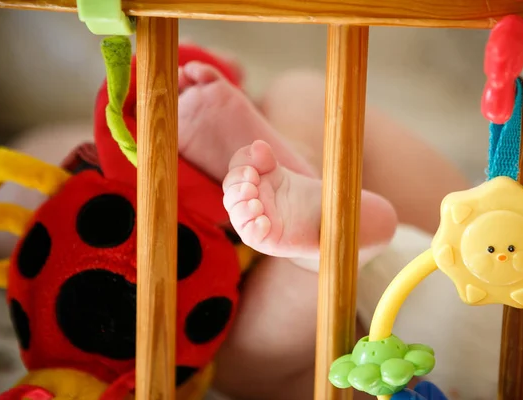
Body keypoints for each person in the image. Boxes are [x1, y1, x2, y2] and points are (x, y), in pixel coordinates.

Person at [175, 57, 469, 400]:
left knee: (229, 369)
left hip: (371, 364)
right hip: (505, 272)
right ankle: (308, 178)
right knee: (299, 92)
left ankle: (314, 206)